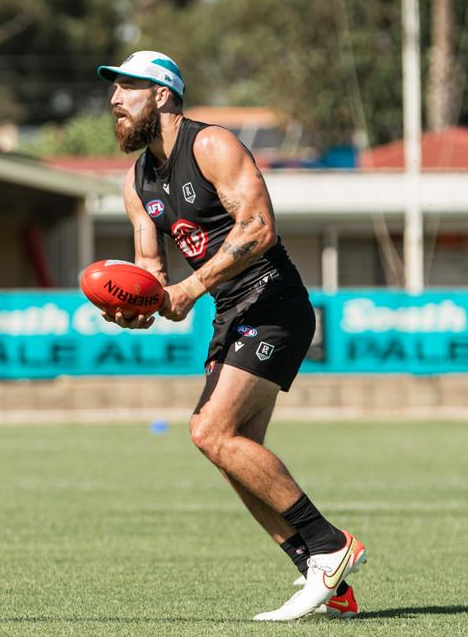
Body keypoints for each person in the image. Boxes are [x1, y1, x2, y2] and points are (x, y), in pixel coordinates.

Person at [96, 51, 367, 621]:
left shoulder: (211, 144)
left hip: (274, 302)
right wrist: (138, 305)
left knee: (208, 431)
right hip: (230, 312)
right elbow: (153, 273)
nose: (115, 100)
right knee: (232, 452)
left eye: (128, 89)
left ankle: (330, 546)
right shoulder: (136, 180)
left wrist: (190, 289)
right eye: (113, 90)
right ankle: (326, 580)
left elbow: (259, 227)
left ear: (163, 95)